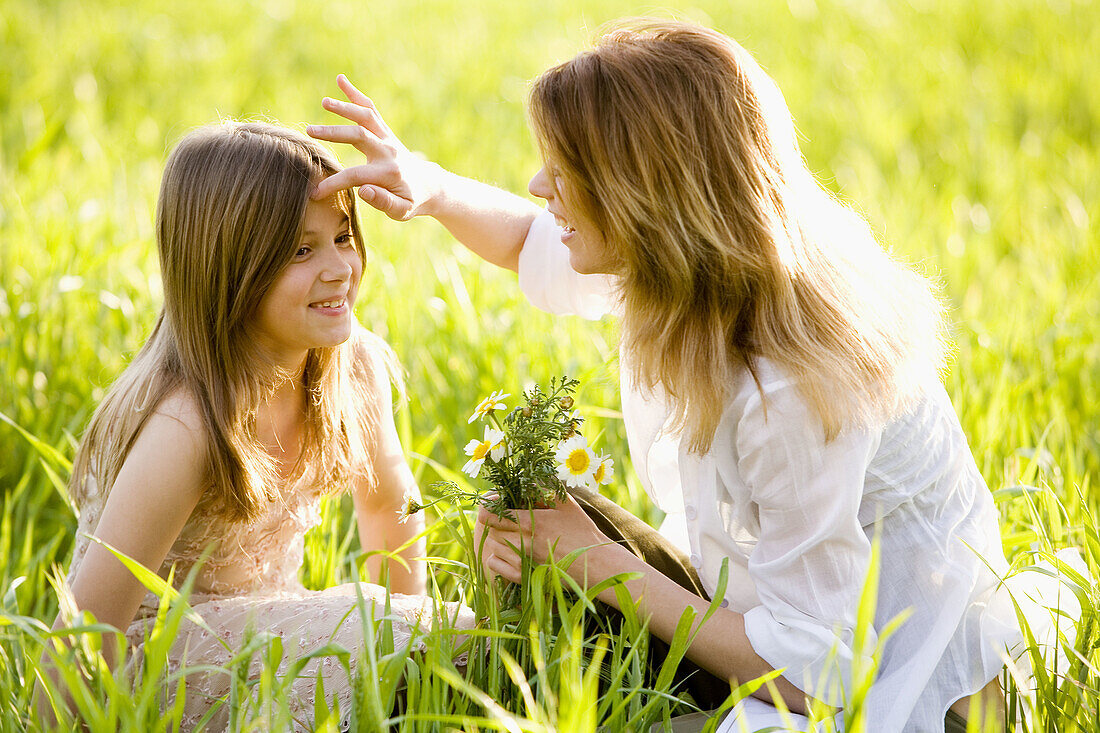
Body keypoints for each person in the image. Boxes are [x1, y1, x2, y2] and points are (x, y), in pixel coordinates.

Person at [306, 20, 1025, 732]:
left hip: (903, 692)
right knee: (522, 522)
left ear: (644, 199)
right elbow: (529, 237)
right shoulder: (701, 269)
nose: (537, 185)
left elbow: (822, 679)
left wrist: (602, 564)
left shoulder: (789, 384)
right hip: (769, 618)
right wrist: (429, 187)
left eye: (563, 172)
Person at [45, 121, 472, 730]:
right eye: (301, 250)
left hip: (271, 625)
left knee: (460, 642)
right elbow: (86, 629)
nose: (339, 268)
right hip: (168, 662)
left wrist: (414, 661)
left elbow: (388, 510)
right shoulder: (188, 425)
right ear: (229, 267)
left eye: (343, 236)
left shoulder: (352, 370)